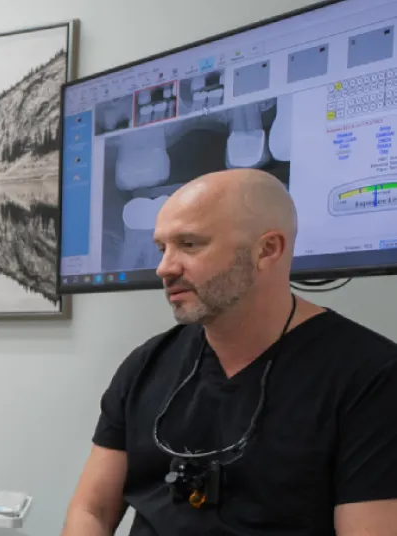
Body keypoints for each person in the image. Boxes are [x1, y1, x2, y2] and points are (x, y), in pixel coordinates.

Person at [60, 168, 397, 535]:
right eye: (162, 248)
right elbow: (91, 510)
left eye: (190, 244)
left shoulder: (372, 377)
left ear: (268, 250)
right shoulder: (147, 365)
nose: (164, 268)